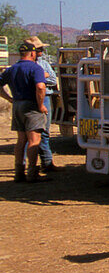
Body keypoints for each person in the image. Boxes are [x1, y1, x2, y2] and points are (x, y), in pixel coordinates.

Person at [0, 40, 51, 182]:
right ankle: (32, 173)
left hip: (17, 105)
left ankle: (19, 172)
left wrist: (9, 99)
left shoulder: (11, 69)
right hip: (31, 106)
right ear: (33, 53)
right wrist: (41, 105)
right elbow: (40, 87)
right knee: (34, 140)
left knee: (21, 140)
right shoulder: (36, 68)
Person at [28, 37, 59, 172]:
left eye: (41, 48)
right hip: (34, 97)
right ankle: (31, 165)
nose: (41, 51)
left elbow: (53, 79)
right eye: (39, 48)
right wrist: (42, 76)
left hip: (45, 96)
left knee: (44, 131)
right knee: (31, 134)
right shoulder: (27, 65)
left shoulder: (44, 63)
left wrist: (42, 77)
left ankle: (46, 162)